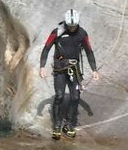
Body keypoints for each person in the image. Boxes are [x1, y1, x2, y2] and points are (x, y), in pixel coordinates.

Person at [38, 8, 100, 138]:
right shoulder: (57, 32)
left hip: (74, 70)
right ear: (66, 23)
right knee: (59, 96)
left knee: (75, 97)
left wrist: (94, 70)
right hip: (60, 69)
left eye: (74, 26)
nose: (72, 29)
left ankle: (69, 125)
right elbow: (46, 48)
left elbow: (89, 51)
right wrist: (42, 66)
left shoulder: (82, 33)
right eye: (70, 26)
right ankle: (56, 126)